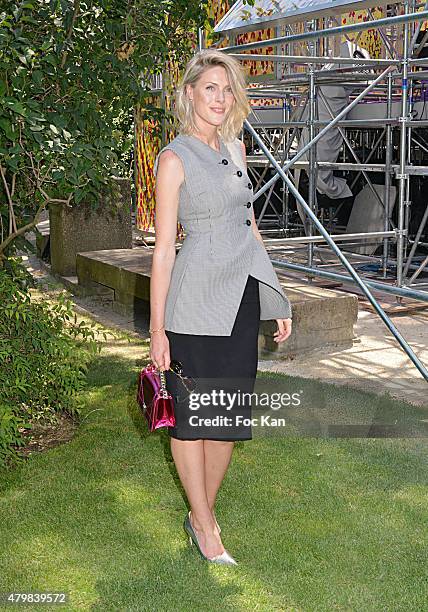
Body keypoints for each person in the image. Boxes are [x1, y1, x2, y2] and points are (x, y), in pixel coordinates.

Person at [149, 49, 292, 565]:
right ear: (189, 93)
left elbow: (249, 226)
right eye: (210, 87)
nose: (220, 97)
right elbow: (164, 248)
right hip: (192, 302)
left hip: (241, 298)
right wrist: (157, 330)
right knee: (192, 418)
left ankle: (200, 513)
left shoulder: (236, 149)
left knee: (226, 417)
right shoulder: (173, 158)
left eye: (227, 89)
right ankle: (206, 525)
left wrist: (277, 295)